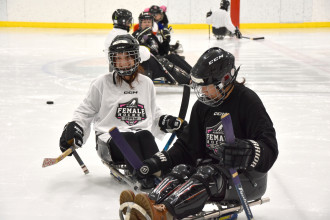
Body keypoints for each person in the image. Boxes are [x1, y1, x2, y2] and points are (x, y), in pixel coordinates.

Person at [120, 47, 278, 219]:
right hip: (214, 171)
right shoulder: (204, 105)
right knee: (181, 169)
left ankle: (163, 214)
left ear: (225, 79)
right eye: (200, 86)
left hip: (247, 178)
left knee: (207, 173)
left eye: (207, 86)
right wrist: (159, 160)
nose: (202, 92)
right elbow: (189, 146)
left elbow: (270, 147)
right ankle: (150, 204)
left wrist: (249, 150)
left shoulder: (248, 101)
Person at [59, 34, 186, 188]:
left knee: (145, 135)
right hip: (109, 139)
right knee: (127, 137)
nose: (122, 63)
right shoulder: (102, 83)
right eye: (118, 58)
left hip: (137, 133)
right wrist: (76, 127)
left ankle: (158, 173)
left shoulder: (146, 83)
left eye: (127, 57)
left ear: (136, 58)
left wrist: (165, 120)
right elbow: (85, 112)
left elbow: (153, 111)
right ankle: (145, 178)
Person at [133, 12, 191, 85]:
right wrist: (143, 37)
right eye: (144, 22)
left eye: (149, 22)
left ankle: (192, 72)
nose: (147, 24)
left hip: (157, 60)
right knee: (171, 58)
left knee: (173, 55)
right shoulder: (137, 34)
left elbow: (163, 52)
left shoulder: (152, 36)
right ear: (140, 23)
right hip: (148, 63)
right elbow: (138, 47)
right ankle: (189, 77)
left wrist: (166, 40)